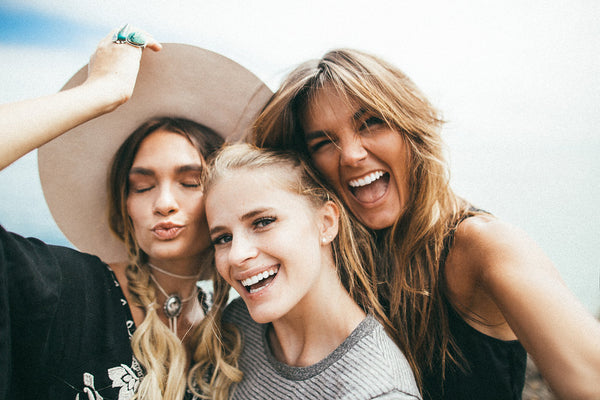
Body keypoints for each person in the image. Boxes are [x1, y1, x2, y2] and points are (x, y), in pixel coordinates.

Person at [250, 48, 600, 399]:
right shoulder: (328, 256)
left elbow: (591, 380)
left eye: (371, 123)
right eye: (324, 142)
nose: (352, 155)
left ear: (410, 127)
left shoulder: (483, 246)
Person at [0, 27, 271, 399]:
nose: (163, 202)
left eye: (190, 182)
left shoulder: (234, 335)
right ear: (124, 205)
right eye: (142, 186)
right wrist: (101, 92)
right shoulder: (66, 289)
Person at [189, 143, 422, 399]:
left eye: (263, 222)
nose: (236, 254)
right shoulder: (235, 329)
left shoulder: (379, 390)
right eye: (223, 238)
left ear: (326, 223)